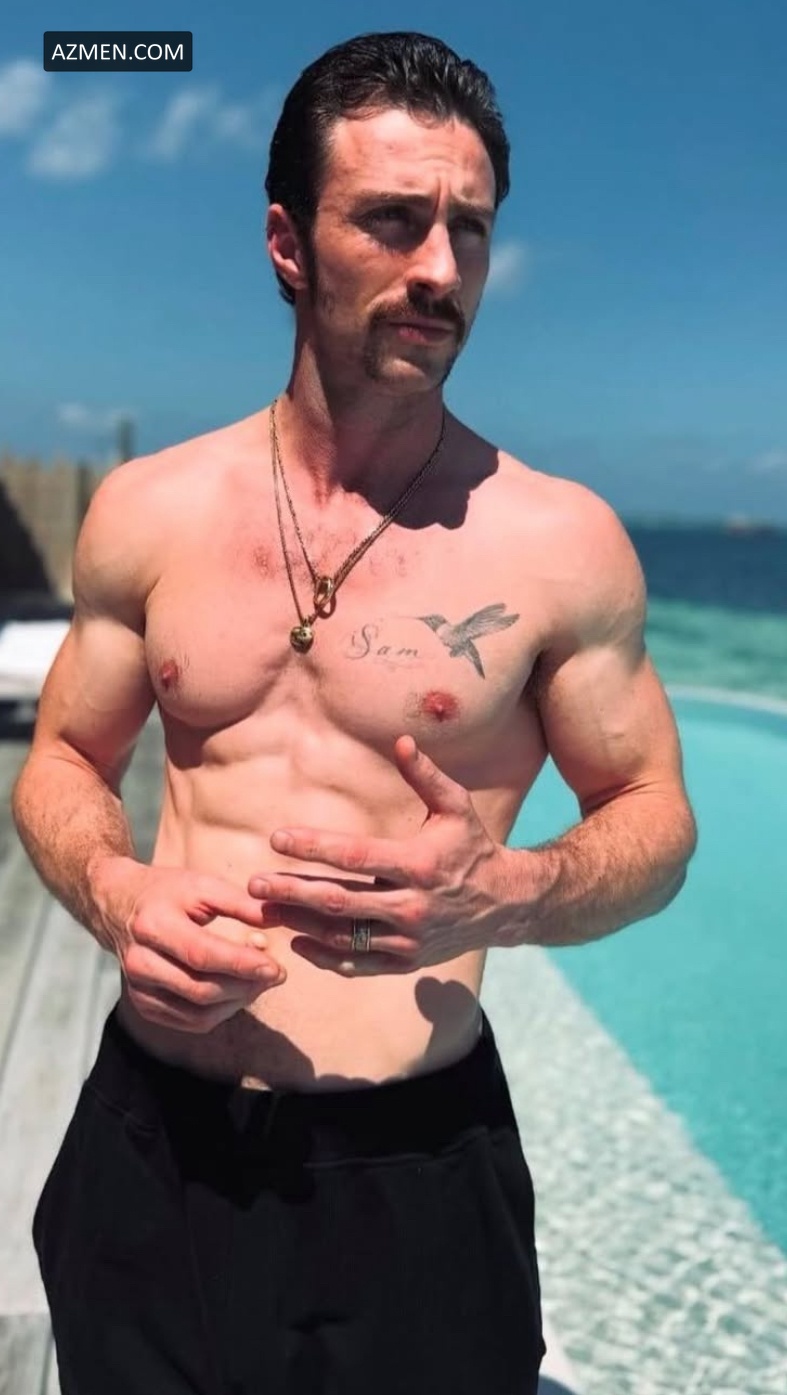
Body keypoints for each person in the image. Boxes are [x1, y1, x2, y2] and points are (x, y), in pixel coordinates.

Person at [12, 30, 697, 1395]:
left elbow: (656, 821)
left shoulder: (561, 544)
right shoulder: (152, 511)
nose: (440, 267)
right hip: (155, 1145)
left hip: (413, 1173)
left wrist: (509, 892)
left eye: (469, 229)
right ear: (289, 243)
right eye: (393, 221)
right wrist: (115, 892)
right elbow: (63, 761)